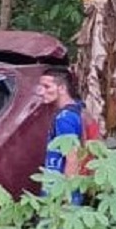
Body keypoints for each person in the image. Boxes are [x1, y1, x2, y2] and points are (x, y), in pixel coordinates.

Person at [37, 66, 91, 202]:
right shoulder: (79, 108)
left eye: (47, 86)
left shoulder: (64, 118)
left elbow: (72, 158)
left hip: (60, 187)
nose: (41, 92)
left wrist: (65, 196)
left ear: (61, 88)